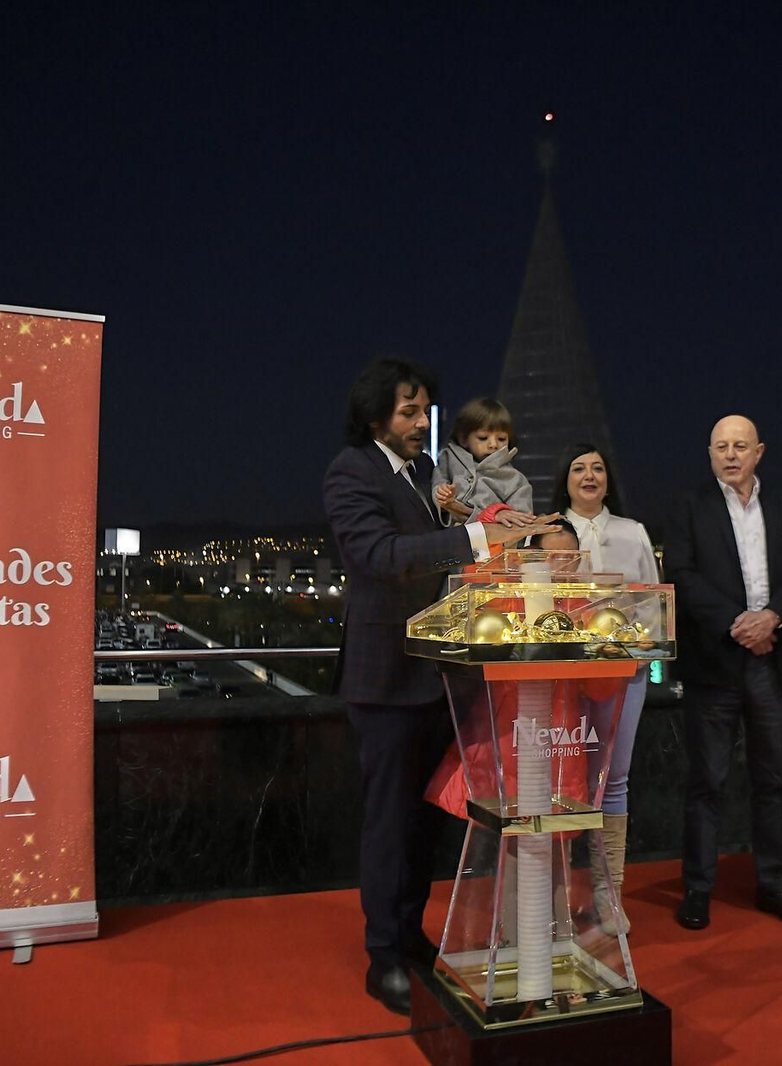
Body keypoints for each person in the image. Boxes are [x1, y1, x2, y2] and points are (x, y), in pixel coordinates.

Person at [322, 357, 555, 1015]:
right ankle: (383, 956)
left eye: (424, 410)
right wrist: (475, 536)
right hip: (382, 680)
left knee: (424, 824)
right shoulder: (352, 471)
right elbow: (380, 557)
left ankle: (412, 933)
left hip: (433, 676)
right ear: (375, 416)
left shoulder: (426, 474)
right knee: (388, 823)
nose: (422, 422)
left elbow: (439, 563)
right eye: (408, 411)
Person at [665, 415, 782, 931]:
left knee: (774, 782)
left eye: (740, 446)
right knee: (706, 782)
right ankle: (698, 888)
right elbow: (681, 575)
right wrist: (738, 624)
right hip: (716, 661)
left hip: (774, 659)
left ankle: (775, 884)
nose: (730, 455)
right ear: (709, 453)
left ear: (759, 451)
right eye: (720, 447)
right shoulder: (691, 506)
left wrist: (771, 617)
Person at [550, 442, 661, 935]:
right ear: (566, 479)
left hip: (622, 674)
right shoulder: (549, 531)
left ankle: (607, 894)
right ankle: (554, 896)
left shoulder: (631, 532)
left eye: (597, 467)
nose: (589, 475)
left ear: (608, 479)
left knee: (611, 780)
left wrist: (640, 657)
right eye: (579, 468)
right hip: (559, 678)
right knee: (560, 782)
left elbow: (652, 607)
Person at [432, 397, 535, 523]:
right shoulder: (448, 460)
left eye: (501, 439)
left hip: (490, 541)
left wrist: (494, 514)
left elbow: (522, 522)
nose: (493, 444)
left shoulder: (516, 480)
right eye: (483, 437)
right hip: (448, 539)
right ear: (464, 439)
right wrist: (441, 492)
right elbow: (437, 484)